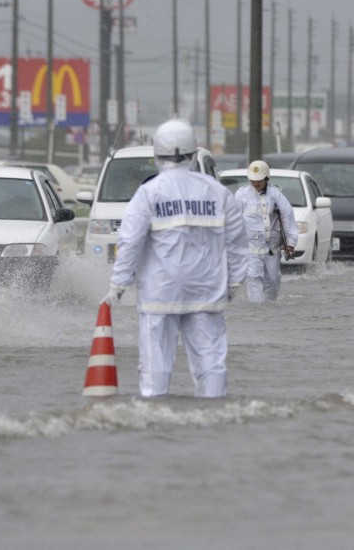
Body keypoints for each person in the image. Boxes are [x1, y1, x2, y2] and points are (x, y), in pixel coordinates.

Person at [103, 118, 248, 398]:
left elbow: (130, 241)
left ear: (157, 155)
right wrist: (234, 282)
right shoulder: (217, 193)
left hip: (159, 294)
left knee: (154, 369)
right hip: (206, 292)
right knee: (211, 365)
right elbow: (239, 242)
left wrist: (118, 284)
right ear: (194, 154)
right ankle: (214, 419)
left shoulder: (148, 193)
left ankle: (156, 423)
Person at [234, 160, 299, 302]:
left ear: (266, 178)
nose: (256, 183)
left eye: (259, 180)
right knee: (254, 279)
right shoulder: (241, 195)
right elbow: (232, 220)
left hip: (272, 249)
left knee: (273, 282)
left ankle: (270, 309)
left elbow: (287, 216)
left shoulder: (276, 195)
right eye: (253, 180)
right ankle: (258, 312)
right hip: (251, 249)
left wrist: (291, 241)